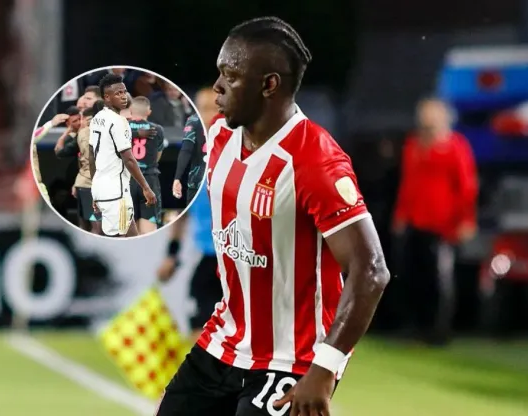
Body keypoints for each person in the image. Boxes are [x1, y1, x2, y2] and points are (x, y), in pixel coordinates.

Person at [155, 17, 390, 416]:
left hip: (294, 358)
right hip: (225, 339)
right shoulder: (220, 136)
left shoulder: (315, 160)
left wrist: (325, 369)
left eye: (231, 75)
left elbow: (371, 269)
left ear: (269, 85)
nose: (218, 87)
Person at [393, 97, 478, 346]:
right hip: (416, 221)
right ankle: (417, 326)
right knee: (415, 275)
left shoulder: (455, 147)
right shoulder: (413, 145)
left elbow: (467, 186)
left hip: (444, 224)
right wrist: (400, 214)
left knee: (441, 279)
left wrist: (466, 220)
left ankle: (440, 330)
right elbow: (408, 184)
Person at [88, 73, 156, 238]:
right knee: (125, 239)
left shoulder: (97, 118)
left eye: (124, 91)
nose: (123, 96)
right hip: (116, 192)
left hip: (101, 188)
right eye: (118, 93)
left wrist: (95, 190)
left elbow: (91, 156)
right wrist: (146, 188)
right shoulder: (119, 122)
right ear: (107, 97)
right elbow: (129, 159)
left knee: (124, 236)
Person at [158, 185, 220, 342]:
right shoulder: (193, 177)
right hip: (207, 258)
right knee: (201, 326)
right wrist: (171, 254)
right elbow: (180, 215)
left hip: (237, 259)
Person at [54, 106, 103, 234]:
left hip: (88, 183)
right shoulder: (109, 132)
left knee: (92, 224)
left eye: (81, 120)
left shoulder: (83, 134)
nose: (80, 123)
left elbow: (59, 152)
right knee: (90, 222)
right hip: (96, 183)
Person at [127, 96, 166, 235]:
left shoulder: (121, 127)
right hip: (149, 180)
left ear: (130, 110)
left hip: (127, 180)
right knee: (149, 230)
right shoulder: (158, 129)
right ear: (148, 112)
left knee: (126, 229)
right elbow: (157, 156)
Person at [172, 113, 206, 203]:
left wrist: (177, 178)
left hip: (198, 179)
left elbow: (186, 150)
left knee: (195, 216)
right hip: (221, 180)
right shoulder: (229, 118)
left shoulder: (194, 119)